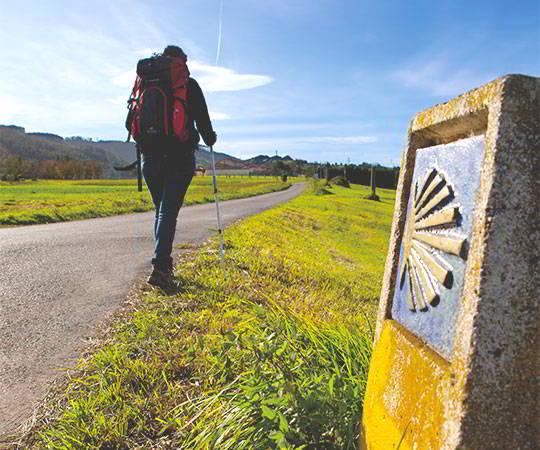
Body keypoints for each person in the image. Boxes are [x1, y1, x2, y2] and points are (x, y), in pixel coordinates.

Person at [141, 45, 216, 287]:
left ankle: (161, 263)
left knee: (160, 210)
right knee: (168, 212)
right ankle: (161, 268)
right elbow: (204, 123)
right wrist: (210, 138)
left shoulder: (145, 82)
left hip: (149, 157)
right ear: (181, 62)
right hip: (179, 157)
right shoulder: (187, 84)